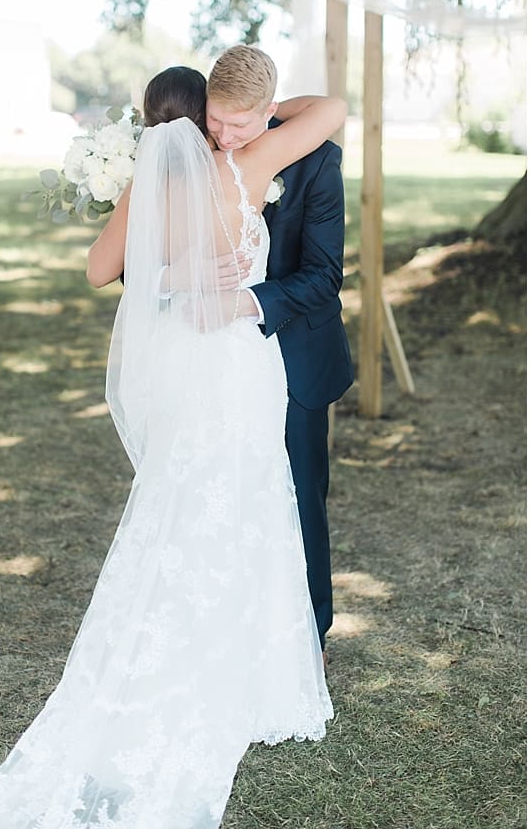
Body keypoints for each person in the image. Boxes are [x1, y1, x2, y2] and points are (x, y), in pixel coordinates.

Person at [0, 66, 347, 828]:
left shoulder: (148, 185)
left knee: (180, 497)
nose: (227, 133)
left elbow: (99, 269)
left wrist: (171, 274)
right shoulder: (249, 164)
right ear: (205, 119)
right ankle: (253, 664)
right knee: (253, 500)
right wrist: (271, 115)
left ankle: (177, 648)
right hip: (240, 364)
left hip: (182, 368)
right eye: (219, 122)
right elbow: (330, 108)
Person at [205, 46, 354, 662]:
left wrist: (245, 301)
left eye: (240, 124)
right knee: (221, 489)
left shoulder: (317, 163)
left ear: (270, 111)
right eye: (216, 120)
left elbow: (324, 277)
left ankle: (308, 638)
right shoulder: (196, 151)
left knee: (298, 495)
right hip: (216, 361)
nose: (224, 136)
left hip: (292, 353)